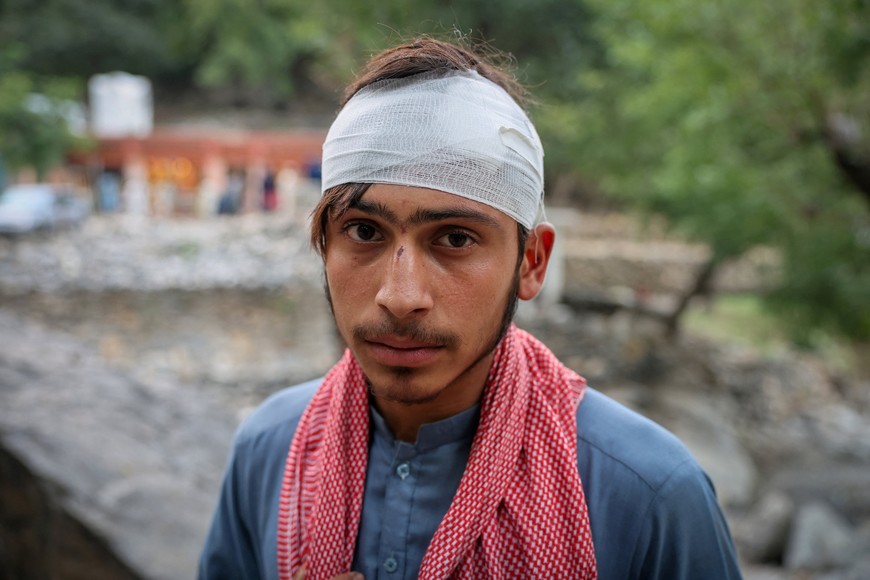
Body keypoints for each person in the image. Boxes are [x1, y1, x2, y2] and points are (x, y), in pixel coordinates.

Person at [198, 37, 743, 580]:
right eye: (364, 231)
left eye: (455, 239)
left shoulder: (648, 495)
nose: (401, 296)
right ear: (323, 245)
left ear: (531, 261)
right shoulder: (270, 453)